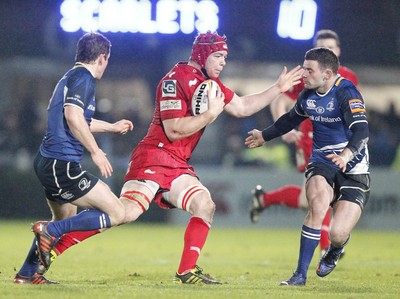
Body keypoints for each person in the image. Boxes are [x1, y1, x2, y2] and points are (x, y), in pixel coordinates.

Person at [14, 32, 134, 284]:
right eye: (107, 59)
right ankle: (49, 231)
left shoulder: (70, 76)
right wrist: (96, 151)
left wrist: (111, 127)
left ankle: (27, 274)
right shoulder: (84, 78)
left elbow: (80, 120)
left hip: (50, 162)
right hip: (62, 164)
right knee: (117, 212)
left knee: (66, 217)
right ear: (102, 57)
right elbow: (73, 117)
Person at [245, 47, 370, 286]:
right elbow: (290, 119)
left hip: (354, 168)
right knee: (317, 203)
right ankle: (299, 275)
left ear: (327, 73)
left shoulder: (346, 92)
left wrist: (345, 156)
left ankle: (335, 248)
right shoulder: (307, 95)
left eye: (309, 70)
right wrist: (264, 135)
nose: (304, 74)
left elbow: (362, 130)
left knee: (337, 233)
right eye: (304, 68)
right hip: (322, 162)